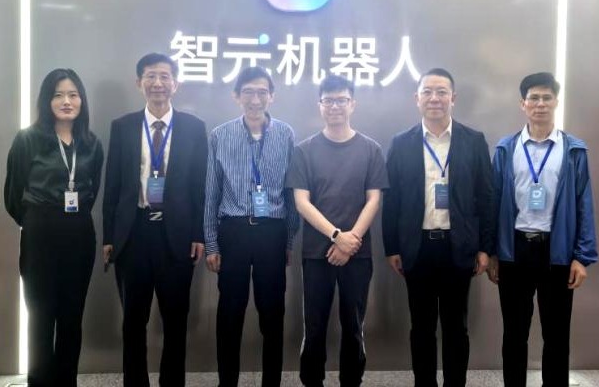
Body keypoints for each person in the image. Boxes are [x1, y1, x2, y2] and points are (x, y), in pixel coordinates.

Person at [382, 68, 494, 387]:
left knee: (456, 327)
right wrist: (392, 247)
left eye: (441, 92)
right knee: (421, 327)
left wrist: (485, 248)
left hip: (458, 247)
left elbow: (486, 197)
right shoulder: (401, 143)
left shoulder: (473, 141)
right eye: (427, 92)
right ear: (416, 99)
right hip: (417, 247)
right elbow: (392, 200)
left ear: (453, 98)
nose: (434, 98)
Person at [102, 53, 207, 387]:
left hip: (176, 235)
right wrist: (109, 237)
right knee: (133, 320)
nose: (157, 83)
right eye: (150, 76)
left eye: (164, 76)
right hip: (133, 233)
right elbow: (113, 185)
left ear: (176, 83)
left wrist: (199, 233)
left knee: (175, 320)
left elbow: (199, 187)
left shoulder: (193, 128)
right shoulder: (122, 127)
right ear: (139, 83)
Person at [487, 72, 598, 387]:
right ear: (522, 104)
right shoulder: (506, 149)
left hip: (556, 251)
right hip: (514, 250)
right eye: (533, 98)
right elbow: (493, 202)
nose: (540, 104)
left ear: (556, 102)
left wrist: (582, 257)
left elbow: (584, 204)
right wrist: (492, 252)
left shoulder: (573, 150)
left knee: (557, 335)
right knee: (514, 334)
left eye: (546, 97)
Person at [285, 75, 388, 387]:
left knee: (353, 325)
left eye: (341, 100)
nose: (335, 106)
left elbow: (374, 199)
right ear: (320, 105)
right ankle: (312, 380)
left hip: (358, 253)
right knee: (314, 326)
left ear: (352, 104)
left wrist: (351, 240)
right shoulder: (304, 150)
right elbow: (301, 202)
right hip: (317, 253)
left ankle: (351, 381)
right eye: (328, 100)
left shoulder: (371, 149)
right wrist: (336, 237)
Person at [4, 68, 104, 387]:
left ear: (82, 101)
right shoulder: (27, 139)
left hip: (79, 235)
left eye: (73, 95)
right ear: (47, 100)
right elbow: (12, 195)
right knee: (41, 317)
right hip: (40, 235)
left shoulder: (91, 144)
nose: (66, 101)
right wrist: (37, 219)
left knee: (72, 318)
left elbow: (92, 190)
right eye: (58, 95)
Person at [204, 66, 299, 387]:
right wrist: (212, 243)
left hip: (272, 232)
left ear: (272, 96)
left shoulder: (285, 134)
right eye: (248, 92)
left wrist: (289, 240)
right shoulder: (220, 135)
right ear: (236, 96)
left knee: (272, 314)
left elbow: (291, 192)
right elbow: (211, 193)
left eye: (261, 92)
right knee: (229, 314)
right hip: (234, 230)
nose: (255, 99)